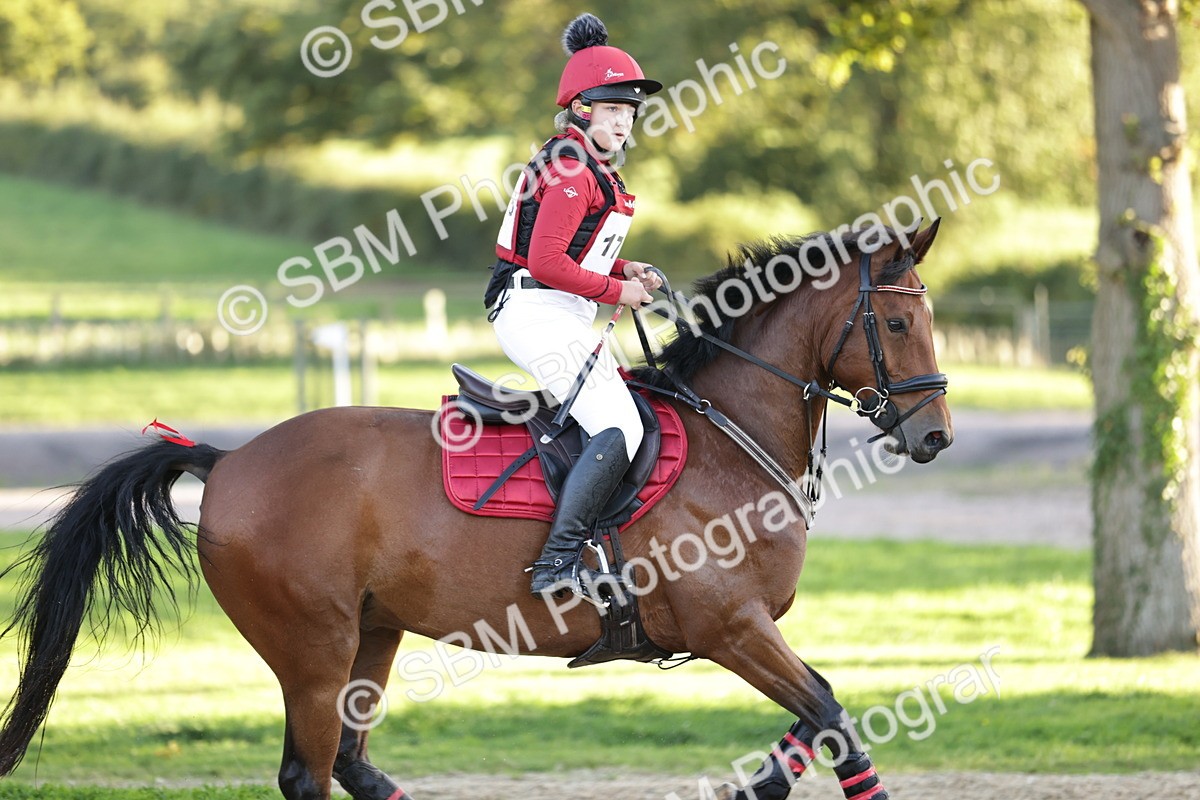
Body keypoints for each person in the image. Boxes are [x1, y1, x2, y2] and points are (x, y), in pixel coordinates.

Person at [485, 13, 664, 597]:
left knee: (625, 420)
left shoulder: (584, 164)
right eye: (613, 109)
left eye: (629, 111)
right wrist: (620, 292)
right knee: (618, 424)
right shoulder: (570, 165)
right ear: (582, 109)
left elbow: (573, 255)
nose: (624, 121)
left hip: (556, 309)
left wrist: (621, 269)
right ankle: (557, 563)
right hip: (534, 310)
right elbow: (545, 264)